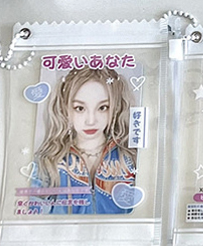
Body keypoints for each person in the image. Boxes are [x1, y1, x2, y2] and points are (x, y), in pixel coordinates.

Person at [31, 67, 137, 215]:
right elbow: (30, 216)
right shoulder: (47, 162)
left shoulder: (131, 158)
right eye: (80, 108)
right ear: (64, 109)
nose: (91, 120)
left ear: (115, 108)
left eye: (103, 107)